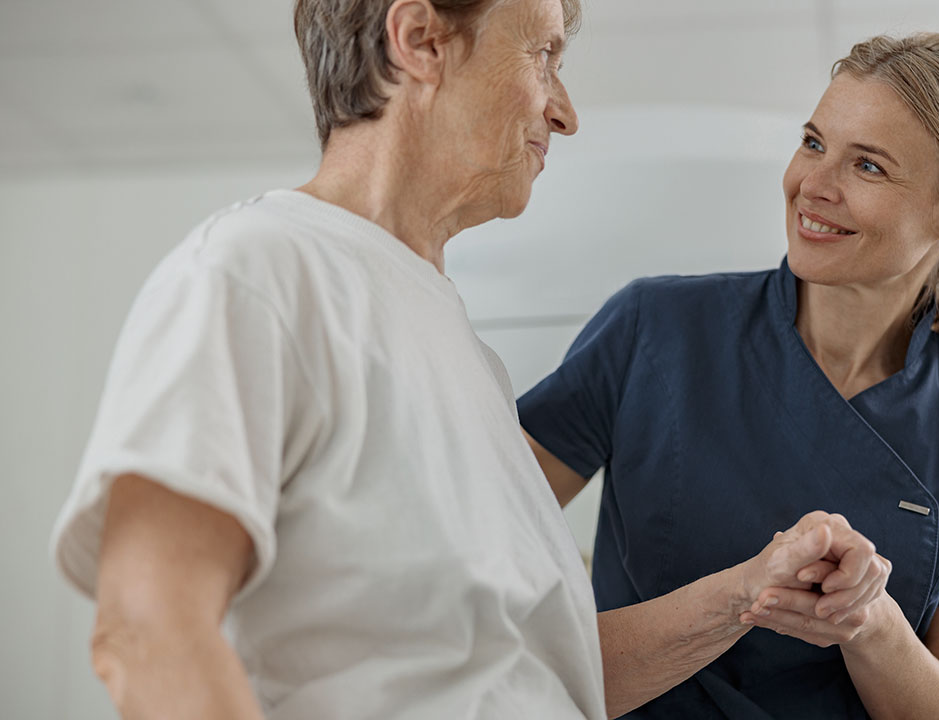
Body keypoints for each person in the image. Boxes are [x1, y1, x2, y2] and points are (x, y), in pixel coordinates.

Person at [49, 0, 606, 718]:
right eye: (544, 57)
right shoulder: (258, 271)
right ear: (422, 40)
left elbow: (508, 670)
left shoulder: (472, 360)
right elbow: (147, 630)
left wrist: (742, 596)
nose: (564, 112)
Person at [518, 32, 939, 719]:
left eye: (869, 167)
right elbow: (475, 533)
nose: (813, 185)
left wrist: (871, 621)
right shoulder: (655, 329)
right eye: (813, 142)